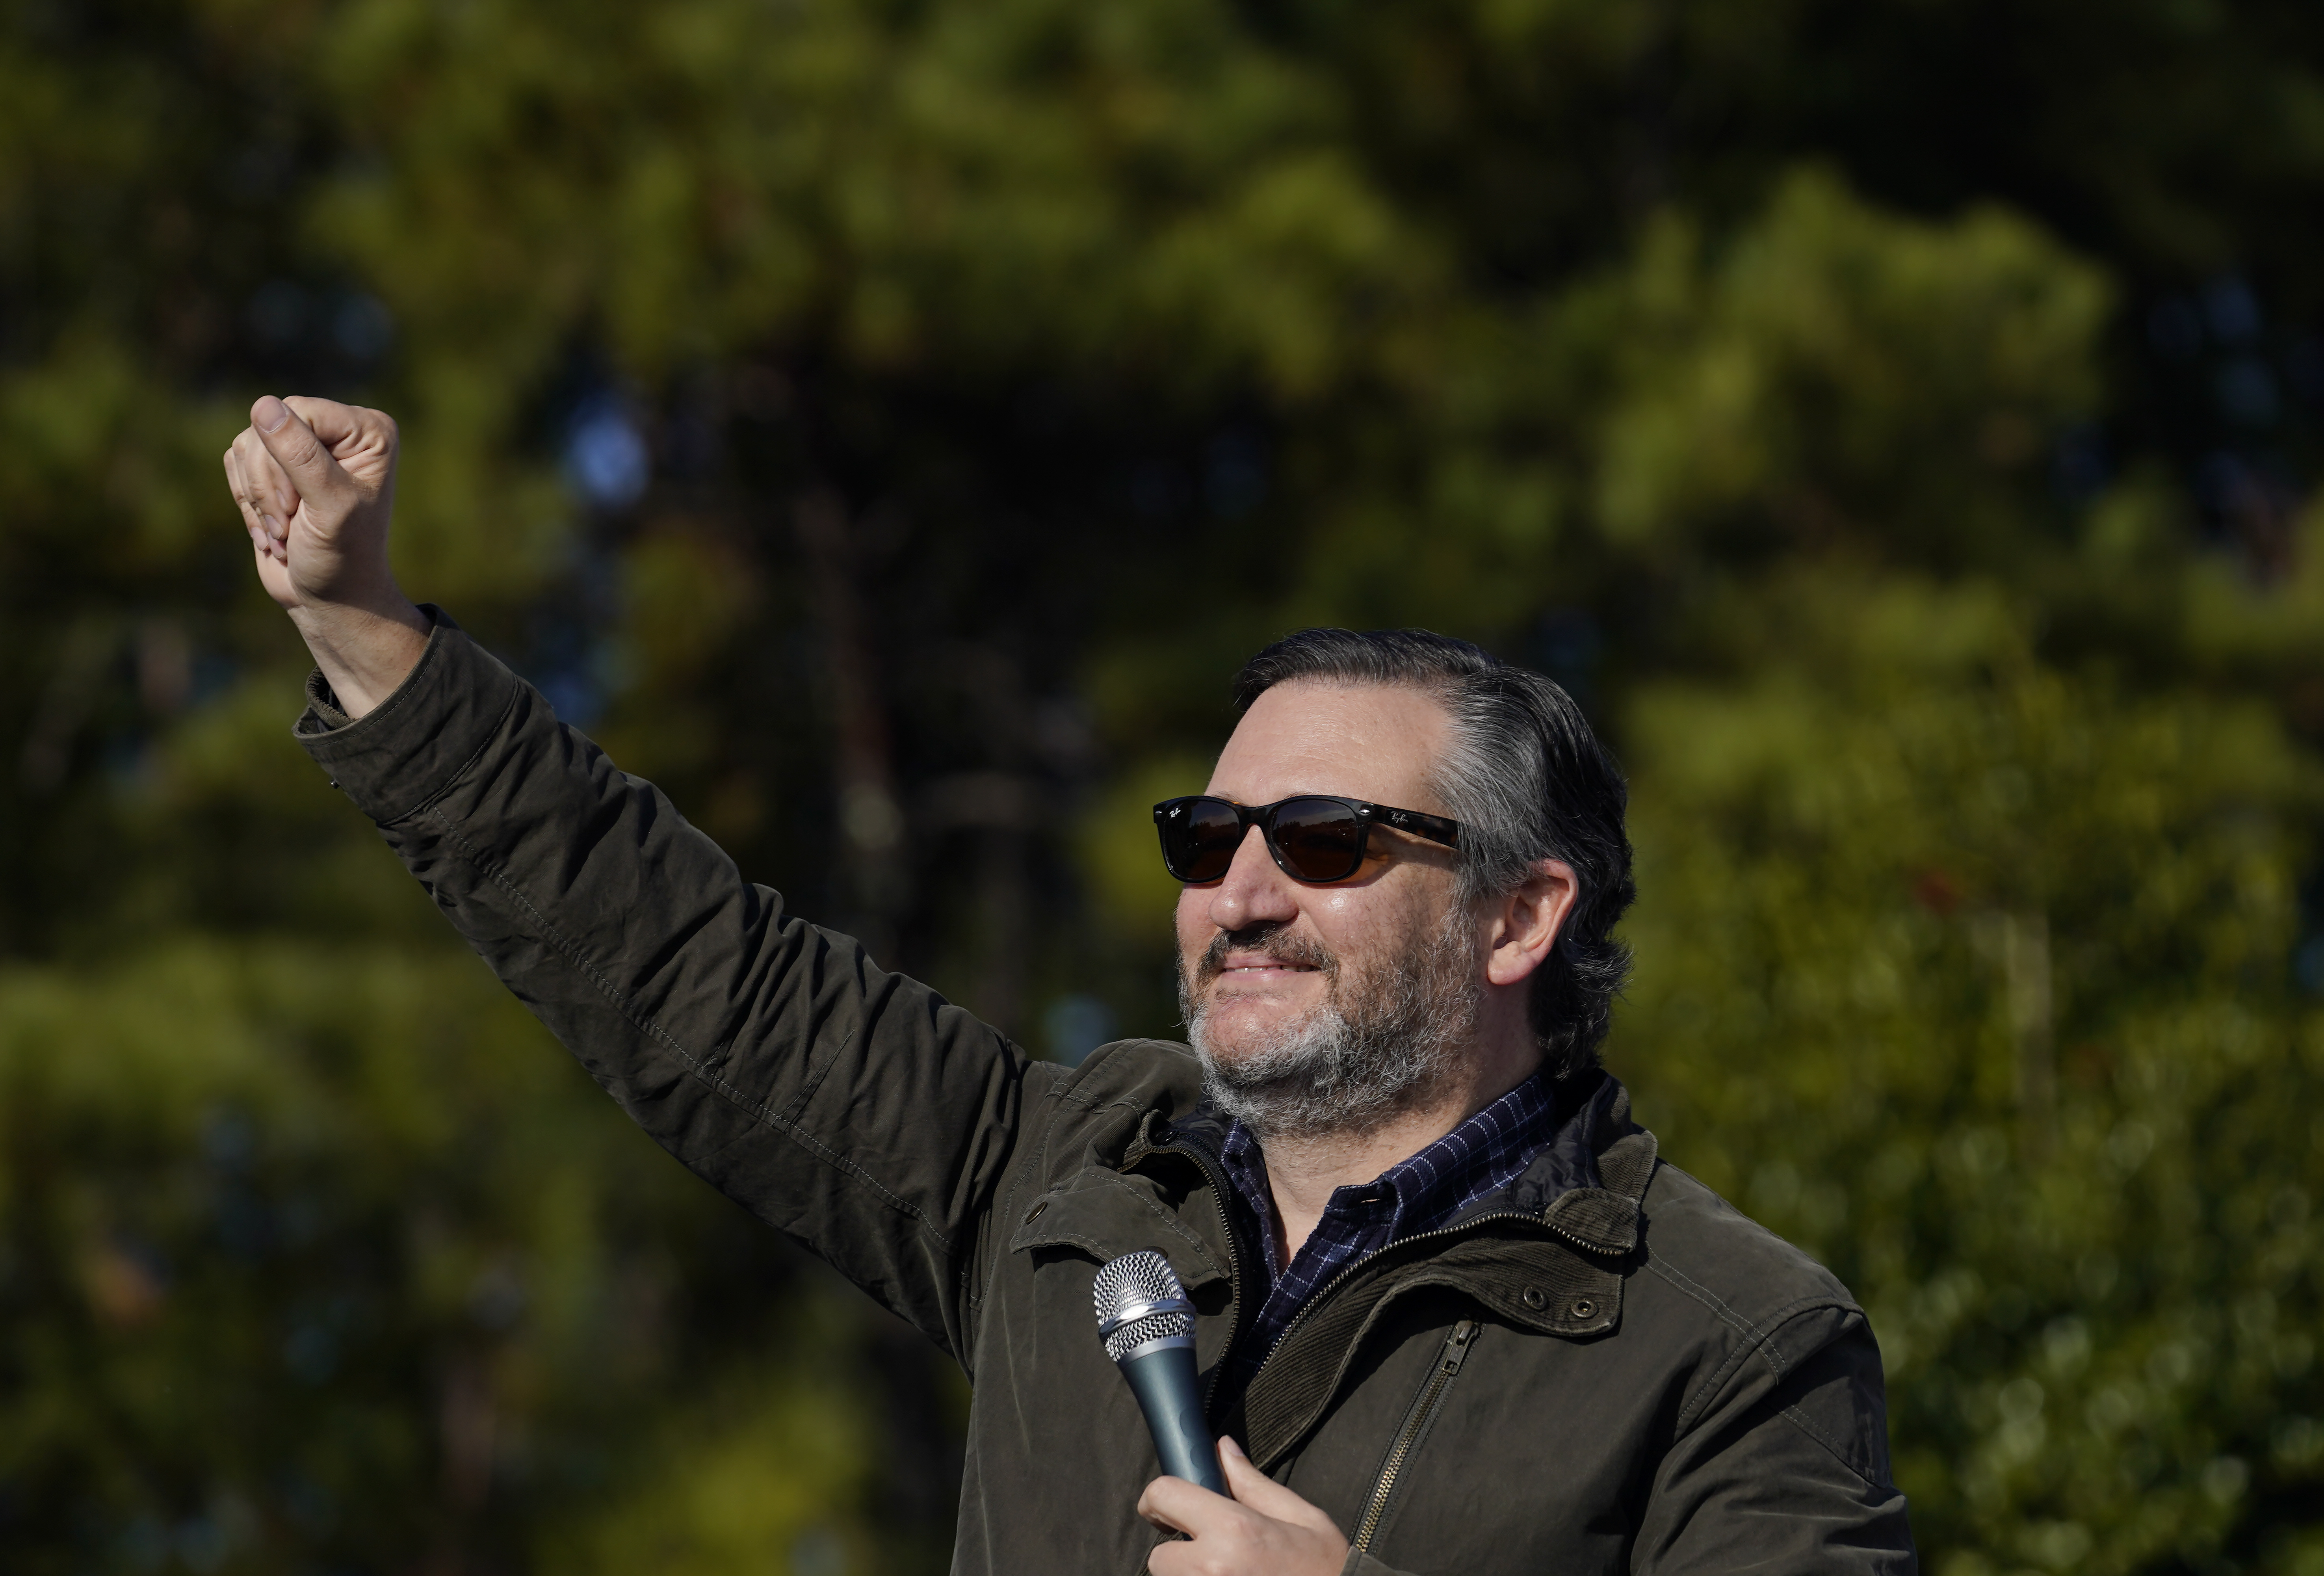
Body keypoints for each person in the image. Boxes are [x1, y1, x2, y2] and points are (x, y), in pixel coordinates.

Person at [223, 394, 1917, 1576]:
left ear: (1518, 916)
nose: (1240, 892)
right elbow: (690, 969)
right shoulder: (1071, 1183)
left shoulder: (1733, 1337)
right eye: (1209, 834)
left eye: (1324, 839)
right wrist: (372, 634)